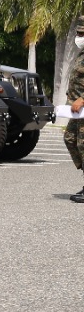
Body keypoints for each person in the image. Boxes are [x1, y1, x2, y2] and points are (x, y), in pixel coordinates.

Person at [66, 17, 84, 202]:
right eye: (78, 33)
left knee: (83, 145)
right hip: (78, 109)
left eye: (82, 34)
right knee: (70, 139)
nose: (78, 37)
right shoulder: (81, 54)